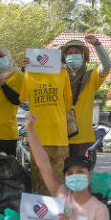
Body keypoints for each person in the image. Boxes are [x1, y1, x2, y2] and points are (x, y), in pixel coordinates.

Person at [16, 51, 74, 195]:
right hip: (39, 135)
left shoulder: (63, 74)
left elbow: (68, 104)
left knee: (58, 180)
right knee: (40, 179)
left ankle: (60, 214)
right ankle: (42, 215)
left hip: (58, 136)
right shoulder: (28, 74)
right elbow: (22, 98)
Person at [61, 35, 111, 158]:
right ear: (65, 57)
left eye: (77, 52)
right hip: (59, 136)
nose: (73, 55)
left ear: (83, 56)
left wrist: (97, 44)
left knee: (78, 175)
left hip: (82, 137)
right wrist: (27, 67)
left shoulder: (92, 77)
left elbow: (106, 66)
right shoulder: (58, 77)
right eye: (69, 53)